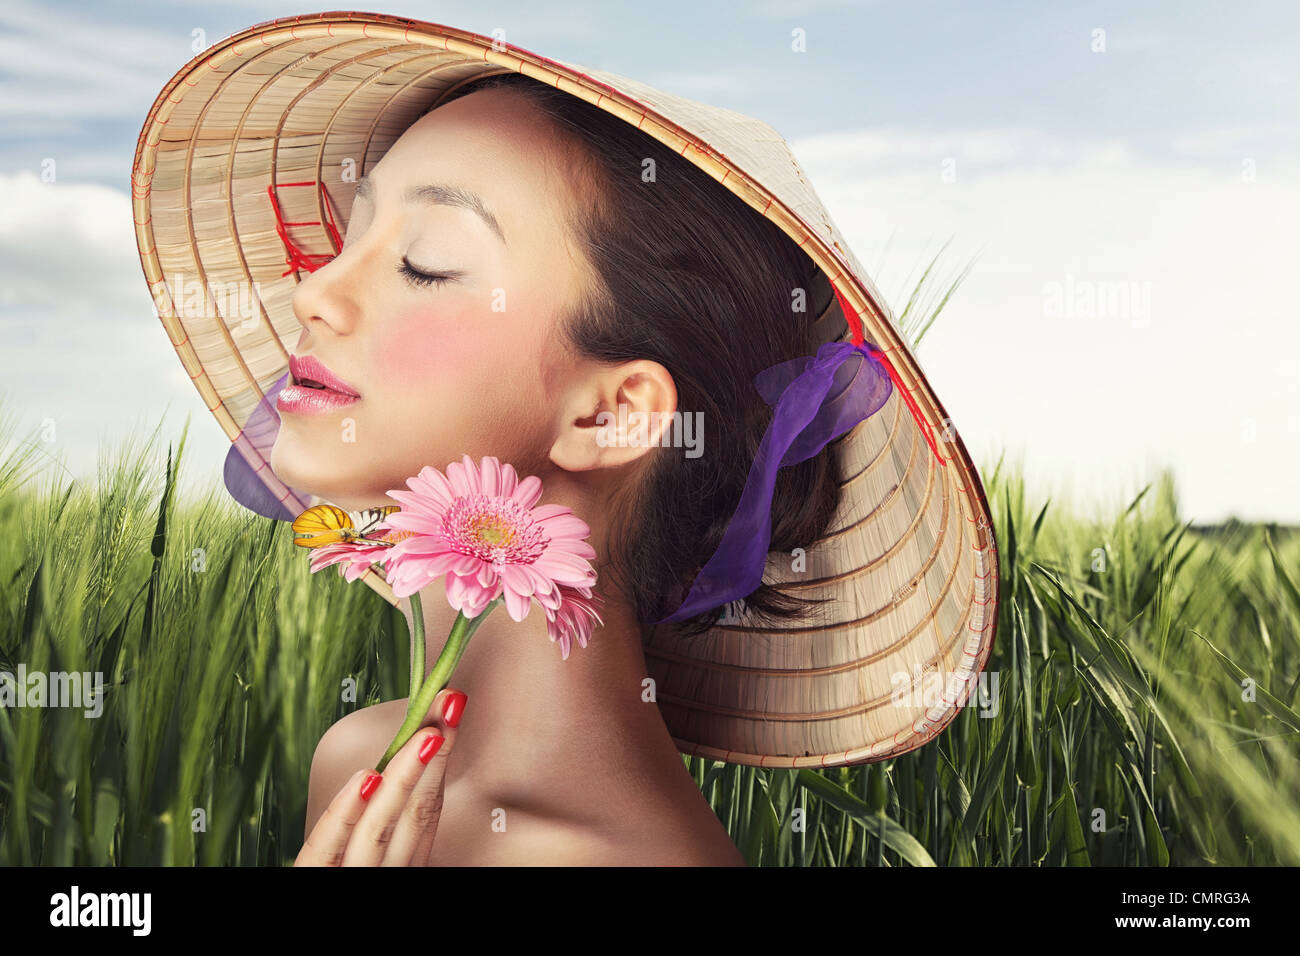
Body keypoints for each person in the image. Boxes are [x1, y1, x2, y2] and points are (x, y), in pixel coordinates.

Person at [284, 73, 842, 865]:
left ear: (610, 414)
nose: (314, 293)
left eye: (426, 261)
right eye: (351, 237)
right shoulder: (358, 758)